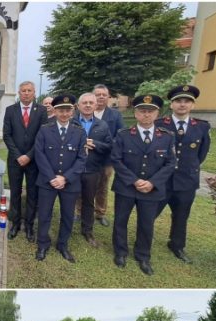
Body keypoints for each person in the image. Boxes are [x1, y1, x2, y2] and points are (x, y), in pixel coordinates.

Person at [111, 94, 177, 276]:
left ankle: (143, 255)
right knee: (120, 221)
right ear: (136, 113)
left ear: (158, 113)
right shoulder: (123, 135)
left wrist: (152, 182)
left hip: (152, 189)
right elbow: (116, 160)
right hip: (126, 187)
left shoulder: (166, 136)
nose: (146, 115)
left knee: (146, 224)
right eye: (142, 111)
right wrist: (134, 180)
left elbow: (171, 163)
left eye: (151, 111)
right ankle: (120, 252)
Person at [158, 84, 211, 264]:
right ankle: (143, 240)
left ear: (192, 105)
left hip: (186, 180)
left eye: (187, 101)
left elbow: (201, 154)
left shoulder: (201, 127)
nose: (182, 104)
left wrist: (189, 168)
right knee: (150, 212)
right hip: (163, 180)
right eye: (178, 101)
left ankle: (177, 245)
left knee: (181, 216)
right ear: (171, 104)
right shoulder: (160, 125)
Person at [33, 94, 87, 263]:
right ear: (54, 111)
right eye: (60, 110)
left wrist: (64, 178)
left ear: (72, 111)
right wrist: (51, 177)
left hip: (69, 183)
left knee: (67, 215)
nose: (64, 114)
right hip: (47, 181)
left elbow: (82, 158)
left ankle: (62, 245)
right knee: (44, 214)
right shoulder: (44, 130)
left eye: (67, 110)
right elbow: (39, 154)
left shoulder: (79, 132)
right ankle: (43, 244)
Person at [3, 81, 47, 241]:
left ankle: (29, 225)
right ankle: (15, 223)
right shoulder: (10, 110)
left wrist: (28, 155)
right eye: (23, 91)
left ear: (34, 92)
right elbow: (7, 135)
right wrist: (18, 155)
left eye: (29, 90)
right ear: (19, 93)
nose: (26, 93)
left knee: (32, 193)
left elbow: (42, 136)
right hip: (15, 160)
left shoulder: (41, 111)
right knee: (15, 192)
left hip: (34, 160)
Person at [73, 92, 113, 247]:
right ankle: (67, 228)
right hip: (73, 169)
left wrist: (95, 143)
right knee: (69, 200)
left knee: (89, 201)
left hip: (92, 170)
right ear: (78, 106)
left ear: (96, 106)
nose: (88, 105)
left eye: (91, 102)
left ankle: (87, 231)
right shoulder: (71, 121)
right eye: (85, 102)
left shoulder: (102, 125)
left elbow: (109, 147)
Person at [92, 84, 124, 227]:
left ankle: (100, 212)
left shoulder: (115, 115)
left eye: (104, 95)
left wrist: (105, 144)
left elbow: (120, 134)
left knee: (102, 186)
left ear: (108, 97)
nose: (100, 97)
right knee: (82, 185)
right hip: (87, 157)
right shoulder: (85, 111)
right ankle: (79, 211)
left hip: (106, 157)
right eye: (98, 94)